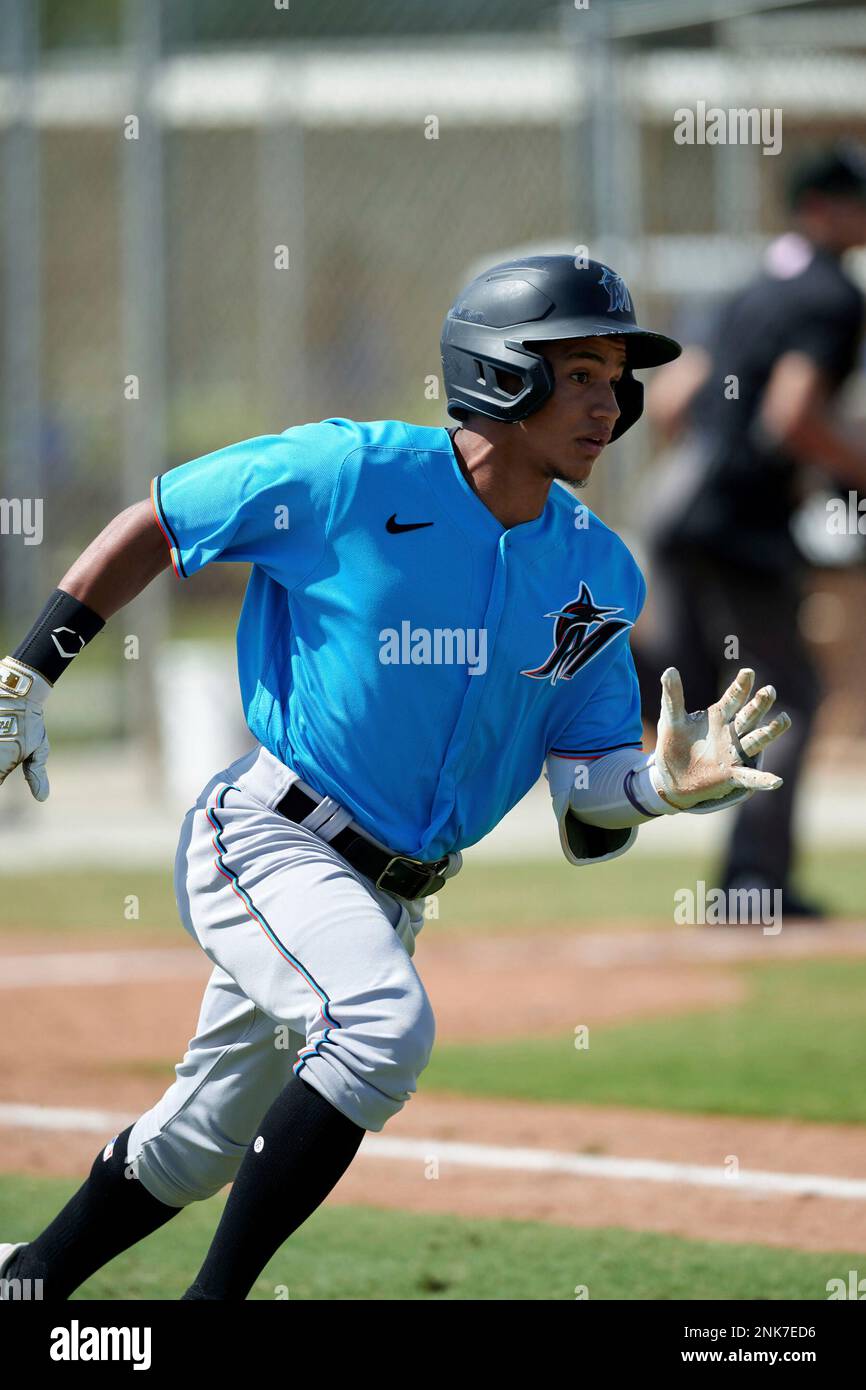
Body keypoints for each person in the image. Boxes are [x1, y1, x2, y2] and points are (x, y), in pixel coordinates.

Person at [0, 255, 791, 1301]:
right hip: (270, 836)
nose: (612, 404)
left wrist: (656, 786)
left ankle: (30, 1281)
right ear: (499, 376)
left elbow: (584, 804)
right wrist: (28, 673)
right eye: (582, 373)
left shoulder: (601, 569)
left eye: (618, 379)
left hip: (394, 890)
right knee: (381, 1025)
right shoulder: (347, 474)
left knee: (196, 1143)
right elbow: (163, 520)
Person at [632, 143, 866, 918]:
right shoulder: (833, 295)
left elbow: (671, 401)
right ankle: (754, 883)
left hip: (678, 503)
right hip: (737, 520)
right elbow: (794, 413)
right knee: (782, 696)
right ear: (822, 209)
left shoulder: (750, 288)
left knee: (703, 692)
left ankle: (737, 877)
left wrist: (712, 466)